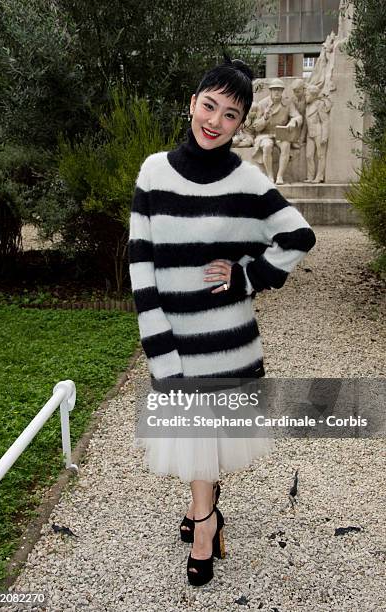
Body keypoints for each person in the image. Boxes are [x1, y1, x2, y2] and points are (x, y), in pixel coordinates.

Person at [128, 54, 316, 587]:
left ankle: (205, 522)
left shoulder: (248, 180)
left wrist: (247, 276)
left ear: (241, 123)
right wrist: (159, 352)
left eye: (230, 114)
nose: (215, 121)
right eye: (208, 105)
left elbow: (298, 237)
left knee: (202, 441)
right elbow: (141, 270)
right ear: (192, 104)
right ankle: (205, 513)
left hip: (230, 342)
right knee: (195, 439)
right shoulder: (153, 172)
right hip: (176, 340)